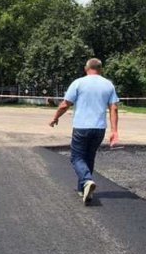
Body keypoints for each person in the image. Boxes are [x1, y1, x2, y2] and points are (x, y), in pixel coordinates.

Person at [49, 58, 119, 205]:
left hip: (82, 127)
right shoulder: (108, 85)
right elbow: (114, 108)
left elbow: (65, 104)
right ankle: (83, 189)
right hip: (99, 128)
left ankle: (86, 180)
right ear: (100, 69)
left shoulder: (78, 83)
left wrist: (55, 117)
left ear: (86, 68)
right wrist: (114, 130)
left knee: (76, 158)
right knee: (89, 157)